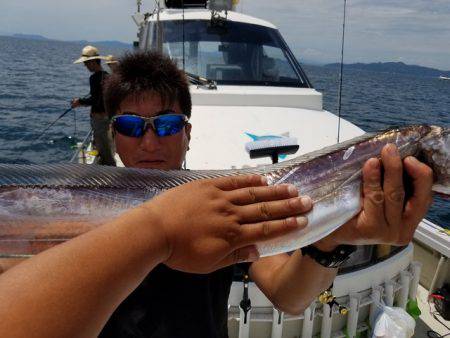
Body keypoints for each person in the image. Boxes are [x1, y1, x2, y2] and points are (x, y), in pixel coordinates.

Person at [0, 51, 433, 338]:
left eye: (167, 125)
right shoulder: (58, 210)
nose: (150, 142)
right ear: (113, 136)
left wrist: (331, 240)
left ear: (187, 134)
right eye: (132, 127)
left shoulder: (222, 202)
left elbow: (290, 295)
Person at [71, 45, 116, 166]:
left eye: (86, 63)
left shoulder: (94, 78)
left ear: (92, 62)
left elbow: (95, 100)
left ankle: (113, 179)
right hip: (106, 119)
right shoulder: (107, 76)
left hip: (100, 121)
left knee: (105, 154)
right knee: (106, 149)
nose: (85, 66)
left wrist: (79, 102)